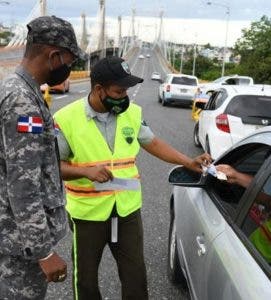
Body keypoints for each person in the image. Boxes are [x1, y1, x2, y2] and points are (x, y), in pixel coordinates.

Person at [53, 56, 212, 300]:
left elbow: (154, 143)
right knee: (85, 278)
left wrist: (187, 161)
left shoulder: (132, 113)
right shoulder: (66, 119)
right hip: (87, 213)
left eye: (126, 90)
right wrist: (85, 171)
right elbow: (54, 166)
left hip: (127, 210)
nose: (124, 96)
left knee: (135, 275)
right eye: (118, 91)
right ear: (98, 89)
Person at [0, 15, 84, 299]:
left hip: (13, 235)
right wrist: (43, 251)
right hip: (19, 243)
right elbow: (23, 183)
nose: (69, 69)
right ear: (54, 55)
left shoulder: (15, 88)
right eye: (69, 62)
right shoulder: (24, 102)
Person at [216, 164, 271, 264]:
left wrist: (237, 177)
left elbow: (267, 201)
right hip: (250, 249)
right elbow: (268, 201)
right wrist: (236, 177)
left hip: (254, 260)